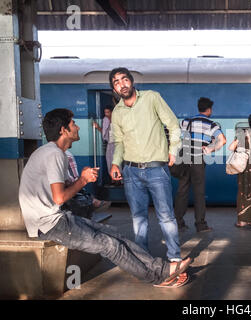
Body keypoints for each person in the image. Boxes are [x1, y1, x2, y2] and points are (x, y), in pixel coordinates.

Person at [18, 108, 191, 288]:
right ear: (63, 130)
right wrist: (83, 180)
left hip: (56, 218)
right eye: (73, 124)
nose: (77, 127)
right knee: (110, 245)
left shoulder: (52, 152)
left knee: (114, 234)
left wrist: (80, 180)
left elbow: (60, 191)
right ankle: (159, 277)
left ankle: (162, 268)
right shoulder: (54, 154)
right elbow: (60, 197)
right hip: (47, 225)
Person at [108, 67, 183, 263]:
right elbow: (120, 142)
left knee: (166, 217)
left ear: (131, 81)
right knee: (138, 218)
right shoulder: (117, 113)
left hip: (156, 169)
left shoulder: (151, 98)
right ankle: (143, 260)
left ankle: (174, 259)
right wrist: (116, 164)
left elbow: (173, 125)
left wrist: (173, 151)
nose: (121, 84)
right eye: (116, 82)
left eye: (124, 79)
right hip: (131, 171)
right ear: (114, 89)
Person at [174, 97, 226, 233]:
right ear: (208, 110)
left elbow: (175, 133)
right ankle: (200, 224)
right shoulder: (211, 124)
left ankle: (178, 223)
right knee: (199, 193)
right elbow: (222, 140)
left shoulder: (186, 121)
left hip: (184, 157)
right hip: (198, 158)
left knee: (182, 191)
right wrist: (210, 149)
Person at [93, 106, 115, 182]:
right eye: (105, 112)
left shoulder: (117, 119)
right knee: (109, 161)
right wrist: (97, 127)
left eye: (108, 112)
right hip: (109, 143)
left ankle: (118, 180)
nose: (106, 114)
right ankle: (113, 180)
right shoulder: (105, 120)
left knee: (116, 162)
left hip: (117, 144)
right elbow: (104, 132)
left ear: (112, 112)